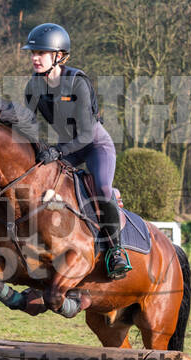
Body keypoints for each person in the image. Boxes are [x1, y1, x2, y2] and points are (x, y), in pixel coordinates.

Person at [21, 23, 131, 279]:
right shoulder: (33, 86)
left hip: (94, 146)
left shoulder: (77, 83)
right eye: (33, 53)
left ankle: (116, 251)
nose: (35, 58)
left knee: (102, 189)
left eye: (41, 53)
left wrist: (57, 152)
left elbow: (84, 134)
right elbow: (28, 123)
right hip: (66, 149)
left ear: (58, 55)